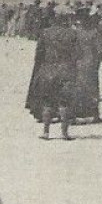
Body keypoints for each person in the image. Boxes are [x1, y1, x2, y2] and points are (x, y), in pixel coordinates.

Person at [26, 7, 79, 139]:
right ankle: (64, 133)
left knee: (47, 102)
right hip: (66, 70)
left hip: (48, 70)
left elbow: (38, 54)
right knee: (64, 102)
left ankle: (46, 131)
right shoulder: (72, 34)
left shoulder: (45, 33)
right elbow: (78, 54)